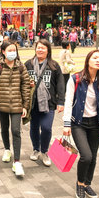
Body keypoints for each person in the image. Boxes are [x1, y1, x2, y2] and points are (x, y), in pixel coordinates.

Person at [62, 50, 99, 198]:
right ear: (88, 60)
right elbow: (68, 101)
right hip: (78, 123)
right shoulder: (75, 78)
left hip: (95, 124)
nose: (98, 60)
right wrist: (66, 124)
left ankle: (87, 183)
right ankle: (80, 184)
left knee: (93, 157)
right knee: (86, 156)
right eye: (95, 57)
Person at [0, 40, 30, 177]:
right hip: (2, 105)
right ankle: (7, 149)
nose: (12, 53)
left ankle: (17, 162)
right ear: (3, 52)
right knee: (5, 128)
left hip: (17, 105)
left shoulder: (21, 67)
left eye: (14, 50)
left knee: (16, 131)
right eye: (9, 50)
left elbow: (26, 87)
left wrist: (25, 106)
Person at [25, 39, 65, 167]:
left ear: (48, 50)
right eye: (38, 47)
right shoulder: (28, 64)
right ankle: (36, 149)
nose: (40, 50)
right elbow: (23, 82)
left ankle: (44, 151)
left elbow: (60, 85)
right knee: (34, 128)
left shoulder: (54, 65)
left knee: (47, 128)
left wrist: (61, 101)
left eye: (43, 48)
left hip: (49, 103)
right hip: (33, 103)